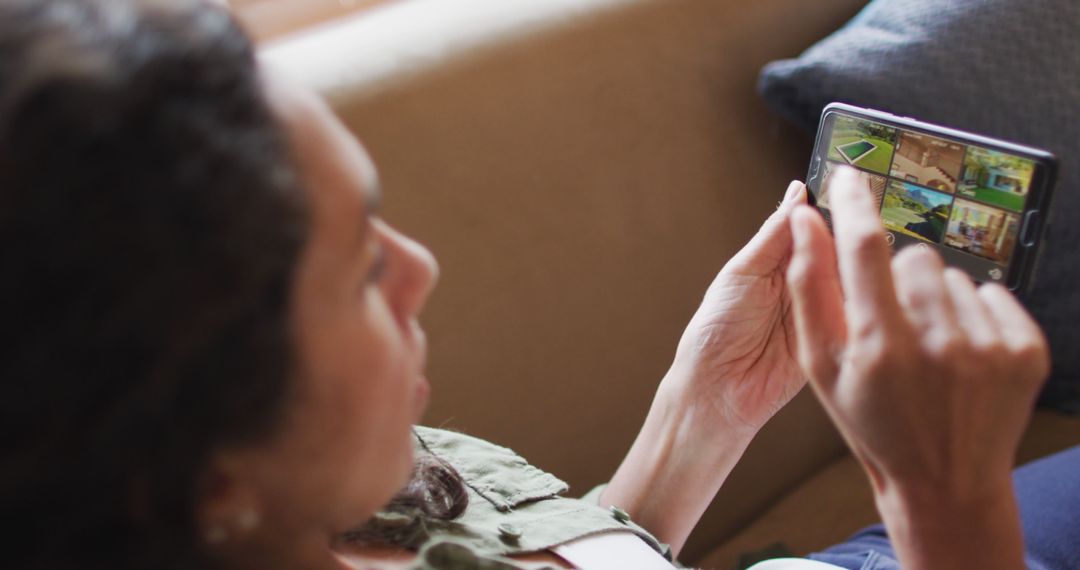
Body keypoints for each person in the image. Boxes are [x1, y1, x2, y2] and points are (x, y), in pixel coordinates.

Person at [1, 1, 1076, 569]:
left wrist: (702, 413)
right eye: (357, 273)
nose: (419, 268)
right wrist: (946, 500)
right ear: (204, 469)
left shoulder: (313, 484)